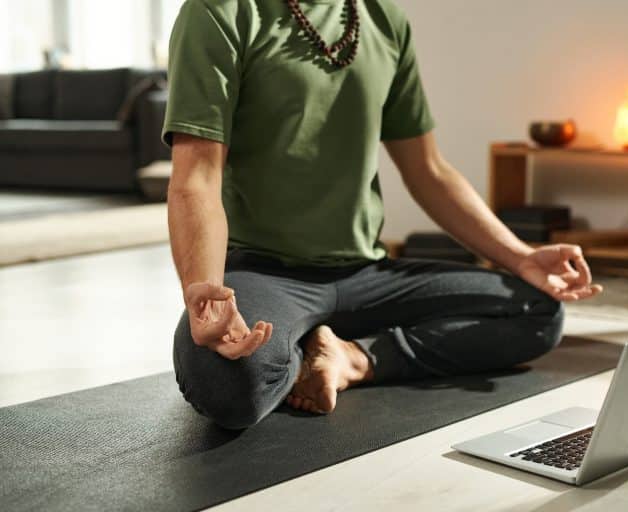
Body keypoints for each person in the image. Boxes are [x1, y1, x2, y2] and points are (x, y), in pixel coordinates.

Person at [163, 0, 602, 430]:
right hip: (265, 275)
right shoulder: (218, 12)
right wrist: (204, 291)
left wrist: (521, 257)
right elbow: (196, 177)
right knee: (227, 385)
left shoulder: (383, 17)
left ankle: (353, 358)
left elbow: (428, 171)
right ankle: (296, 345)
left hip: (368, 277)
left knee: (536, 310)